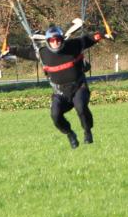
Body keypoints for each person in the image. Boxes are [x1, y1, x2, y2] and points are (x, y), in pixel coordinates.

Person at [38, 18, 110, 148]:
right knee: (55, 115)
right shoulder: (43, 53)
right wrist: (9, 49)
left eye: (57, 39)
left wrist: (104, 34)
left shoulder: (73, 45)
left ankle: (87, 131)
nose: (55, 42)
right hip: (60, 93)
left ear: (61, 39)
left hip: (79, 87)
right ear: (48, 42)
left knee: (81, 107)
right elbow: (24, 51)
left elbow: (91, 38)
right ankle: (70, 134)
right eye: (52, 40)